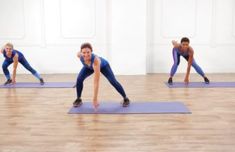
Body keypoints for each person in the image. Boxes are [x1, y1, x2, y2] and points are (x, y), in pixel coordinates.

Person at [73, 42, 130, 110]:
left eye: (88, 52)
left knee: (113, 81)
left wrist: (95, 98)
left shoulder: (96, 61)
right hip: (89, 67)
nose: (86, 54)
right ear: (81, 52)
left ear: (91, 51)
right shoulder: (79, 55)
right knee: (79, 79)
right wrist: (78, 83)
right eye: (84, 52)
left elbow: (96, 82)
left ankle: (125, 98)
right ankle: (78, 99)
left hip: (103, 66)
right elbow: (81, 55)